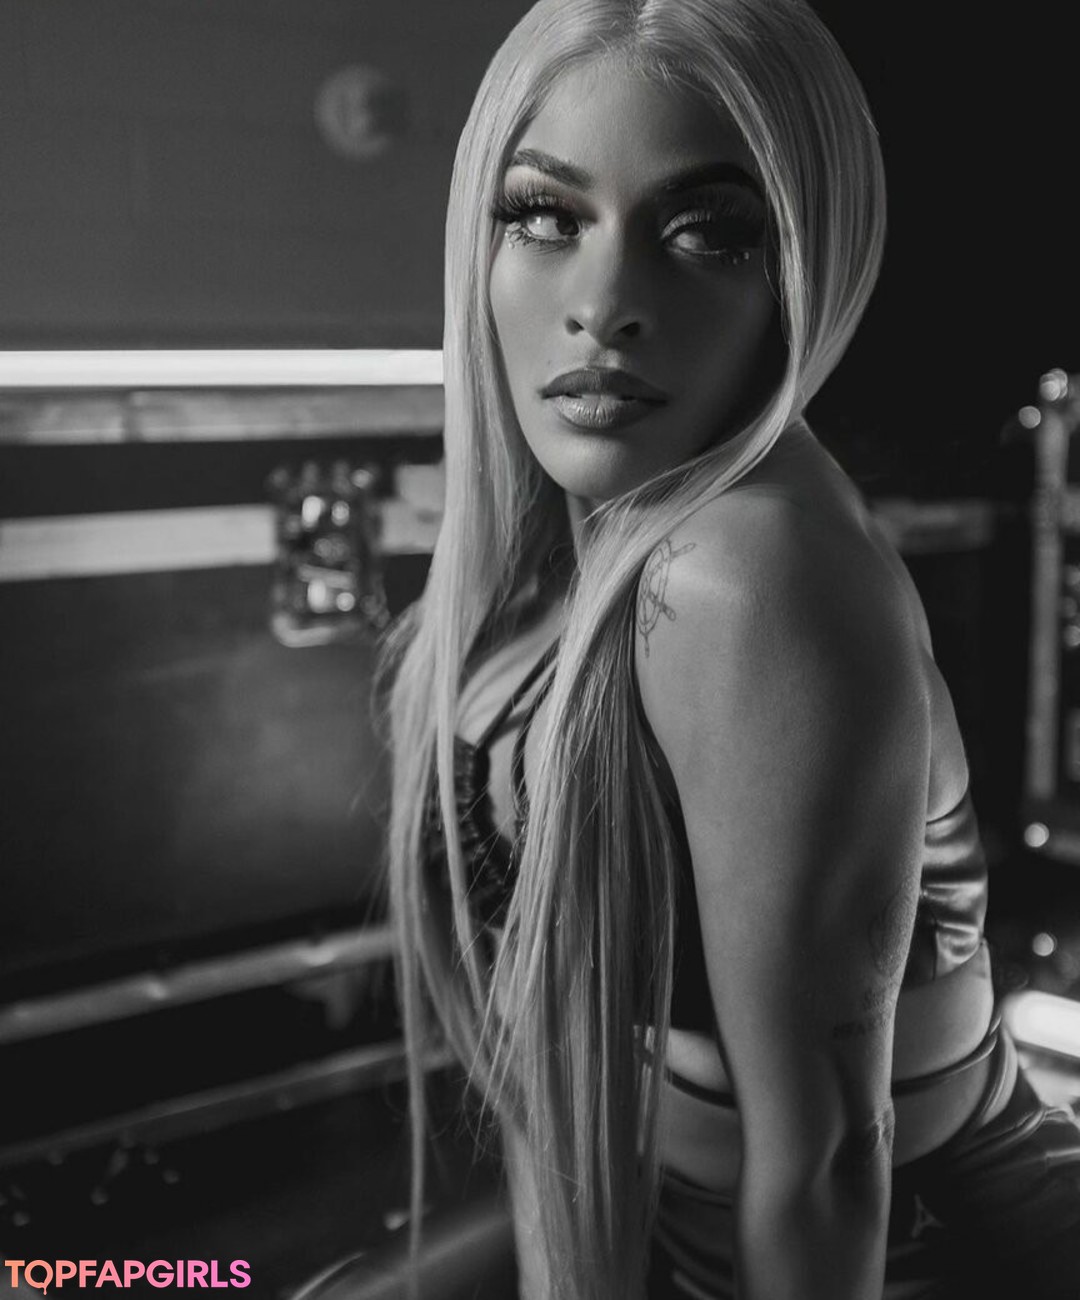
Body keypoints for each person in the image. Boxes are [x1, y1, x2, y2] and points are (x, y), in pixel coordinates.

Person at [379, 1, 1080, 1296]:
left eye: (707, 232)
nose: (604, 307)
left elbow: (828, 1164)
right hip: (669, 1231)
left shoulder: (748, 572)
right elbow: (553, 1066)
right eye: (546, 215)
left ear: (804, 268)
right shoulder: (576, 547)